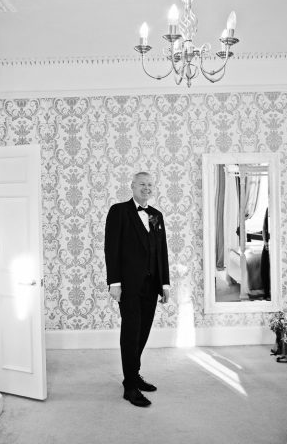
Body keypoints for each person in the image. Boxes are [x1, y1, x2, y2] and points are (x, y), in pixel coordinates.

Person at [105, 172, 171, 407]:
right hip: (128, 285)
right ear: (132, 186)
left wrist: (165, 284)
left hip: (152, 285)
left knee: (143, 332)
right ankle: (130, 387)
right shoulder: (118, 211)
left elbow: (161, 251)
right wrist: (114, 283)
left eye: (150, 185)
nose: (146, 188)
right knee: (131, 333)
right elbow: (111, 248)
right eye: (142, 184)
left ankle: (133, 375)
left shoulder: (156, 215)